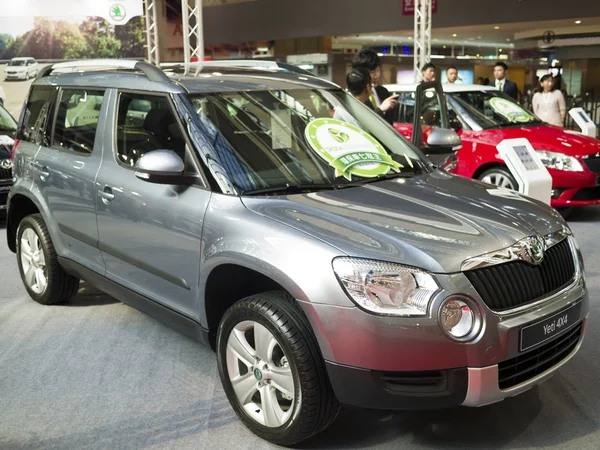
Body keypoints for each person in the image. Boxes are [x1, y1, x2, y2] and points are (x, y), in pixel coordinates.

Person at [351, 49, 393, 122]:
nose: (376, 76)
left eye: (378, 70)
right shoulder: (353, 96)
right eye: (372, 72)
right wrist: (380, 110)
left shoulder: (383, 92)